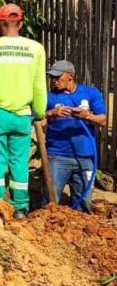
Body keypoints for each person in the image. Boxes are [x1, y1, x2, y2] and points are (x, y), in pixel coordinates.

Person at [0, 3, 47, 219]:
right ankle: (20, 207)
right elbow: (40, 86)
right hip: (22, 115)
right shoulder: (36, 49)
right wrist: (39, 113)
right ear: (21, 23)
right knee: (19, 161)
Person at [44, 60, 106, 212]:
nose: (54, 81)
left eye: (58, 77)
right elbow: (37, 122)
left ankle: (81, 234)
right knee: (50, 202)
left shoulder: (91, 92)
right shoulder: (48, 97)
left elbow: (103, 120)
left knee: (84, 202)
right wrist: (51, 113)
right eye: (52, 77)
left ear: (70, 76)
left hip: (85, 157)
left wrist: (86, 116)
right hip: (57, 156)